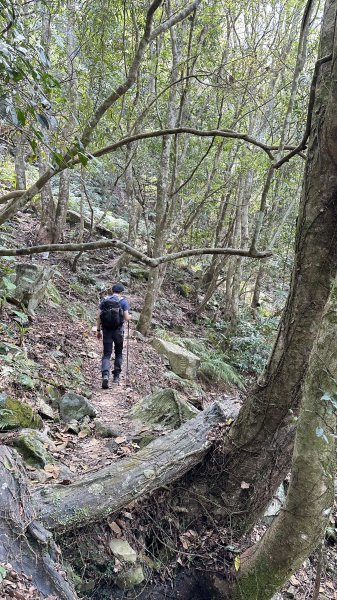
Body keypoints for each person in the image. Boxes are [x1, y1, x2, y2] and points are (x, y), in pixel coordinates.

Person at [96, 283, 131, 388]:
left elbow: (98, 316)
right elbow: (126, 317)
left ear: (112, 290)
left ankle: (105, 376)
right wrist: (130, 316)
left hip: (106, 331)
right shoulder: (123, 301)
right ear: (121, 292)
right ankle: (116, 377)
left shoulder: (104, 300)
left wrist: (98, 330)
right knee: (119, 353)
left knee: (106, 354)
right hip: (118, 331)